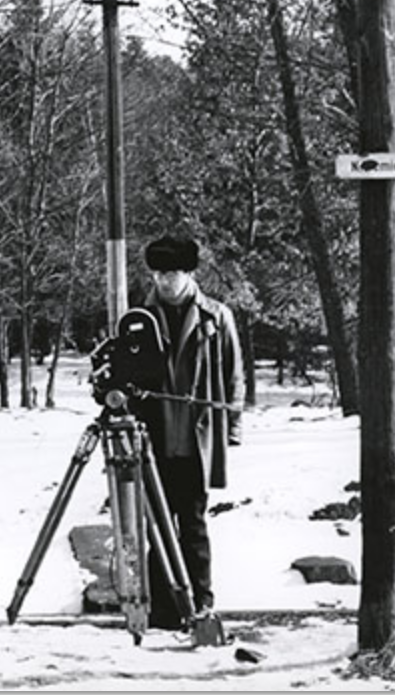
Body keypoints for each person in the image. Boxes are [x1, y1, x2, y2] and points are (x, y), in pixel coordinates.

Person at [135, 233, 243, 629]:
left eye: (174, 272)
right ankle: (163, 609)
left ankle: (201, 602)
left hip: (198, 441)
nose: (166, 281)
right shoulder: (140, 318)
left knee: (194, 525)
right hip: (154, 440)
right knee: (158, 528)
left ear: (189, 273)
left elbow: (234, 376)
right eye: (160, 273)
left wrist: (233, 428)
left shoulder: (216, 316)